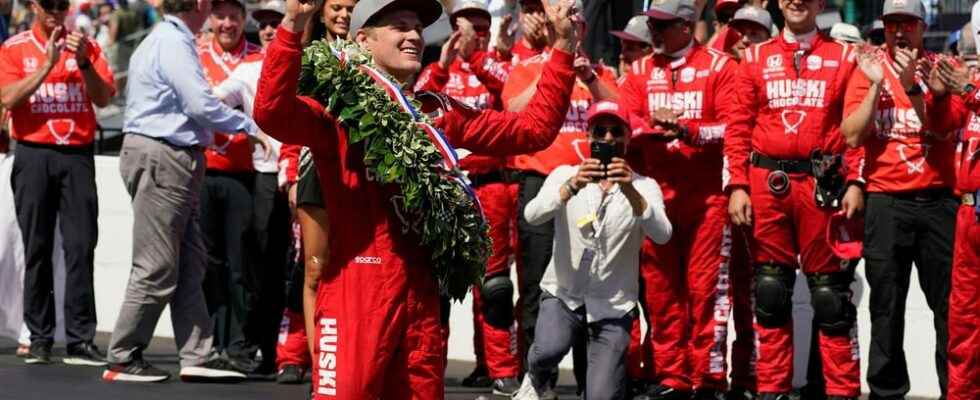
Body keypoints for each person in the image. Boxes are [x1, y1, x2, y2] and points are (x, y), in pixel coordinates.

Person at [252, 0, 580, 397]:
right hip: (358, 287)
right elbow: (271, 113)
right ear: (363, 40)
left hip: (421, 295)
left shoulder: (436, 111)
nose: (413, 36)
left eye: (417, 28)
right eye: (399, 27)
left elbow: (533, 131)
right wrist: (292, 25)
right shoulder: (339, 109)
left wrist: (563, 46)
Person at [102, 0, 264, 383]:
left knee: (191, 263)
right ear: (198, 4)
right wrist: (248, 126)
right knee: (157, 264)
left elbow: (196, 104)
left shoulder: (169, 39)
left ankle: (197, 354)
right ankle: (123, 354)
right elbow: (200, 104)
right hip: (164, 155)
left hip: (171, 156)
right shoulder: (173, 42)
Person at [723, 0, 866, 398]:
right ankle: (772, 391)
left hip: (823, 186)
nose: (797, 1)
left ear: (820, 3)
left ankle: (841, 391)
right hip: (767, 183)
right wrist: (736, 184)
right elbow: (738, 126)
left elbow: (854, 127)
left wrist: (856, 180)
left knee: (831, 297)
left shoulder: (844, 56)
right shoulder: (754, 57)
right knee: (769, 294)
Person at [617, 1, 740, 399]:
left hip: (706, 201)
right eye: (653, 24)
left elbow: (731, 128)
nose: (655, 32)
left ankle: (707, 377)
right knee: (660, 291)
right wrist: (653, 129)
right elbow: (625, 126)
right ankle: (672, 376)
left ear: (688, 26)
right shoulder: (638, 72)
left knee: (706, 292)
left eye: (664, 25)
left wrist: (685, 130)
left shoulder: (721, 67)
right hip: (655, 201)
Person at [840, 2, 961, 399]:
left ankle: (957, 391)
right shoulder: (867, 66)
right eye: (892, 25)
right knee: (886, 307)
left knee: (949, 309)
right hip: (886, 202)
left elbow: (944, 132)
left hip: (938, 200)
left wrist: (916, 87)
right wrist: (876, 86)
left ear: (922, 27)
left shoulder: (941, 66)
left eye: (907, 24)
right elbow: (853, 136)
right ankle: (886, 392)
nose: (899, 32)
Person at [514, 100, 671, 400]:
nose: (608, 139)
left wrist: (629, 191)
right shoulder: (564, 174)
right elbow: (532, 215)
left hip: (612, 305)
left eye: (616, 132)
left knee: (600, 395)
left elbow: (663, 235)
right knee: (548, 349)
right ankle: (536, 377)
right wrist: (571, 187)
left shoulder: (644, 186)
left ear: (628, 137)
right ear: (589, 137)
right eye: (600, 132)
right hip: (564, 293)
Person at [504, 1, 617, 392]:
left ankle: (592, 383)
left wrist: (593, 80)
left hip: (593, 187)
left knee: (594, 287)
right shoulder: (525, 67)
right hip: (541, 184)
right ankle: (538, 380)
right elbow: (512, 112)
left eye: (576, 18)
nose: (571, 23)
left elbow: (627, 115)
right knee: (535, 287)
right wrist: (556, 69)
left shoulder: (599, 72)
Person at [413, 1, 522, 394]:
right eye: (465, 26)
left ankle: (500, 368)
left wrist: (478, 58)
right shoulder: (437, 69)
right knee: (438, 286)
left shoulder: (496, 65)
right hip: (445, 189)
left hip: (491, 187)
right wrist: (443, 66)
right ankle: (428, 371)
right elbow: (415, 106)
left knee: (493, 287)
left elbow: (512, 95)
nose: (472, 33)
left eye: (480, 26)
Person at [0, 0, 115, 366]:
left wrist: (82, 63)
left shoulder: (86, 45)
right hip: (33, 153)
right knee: (37, 248)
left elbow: (104, 97)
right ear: (33, 6)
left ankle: (81, 338)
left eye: (61, 5)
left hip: (76, 155)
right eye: (48, 5)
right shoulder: (15, 47)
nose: (55, 12)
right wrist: (47, 66)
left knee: (81, 246)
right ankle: (40, 336)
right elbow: (6, 98)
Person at [272, 0, 354, 385]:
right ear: (322, 13)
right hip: (315, 172)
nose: (343, 15)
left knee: (358, 270)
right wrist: (290, 173)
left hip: (361, 173)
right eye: (336, 7)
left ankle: (353, 359)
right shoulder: (309, 57)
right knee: (313, 271)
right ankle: (322, 364)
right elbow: (290, 119)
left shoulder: (377, 53)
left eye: (351, 8)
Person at [210, 0, 289, 377]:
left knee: (305, 266)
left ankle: (294, 353)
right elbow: (211, 102)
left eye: (277, 22)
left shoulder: (311, 62)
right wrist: (246, 129)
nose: (270, 30)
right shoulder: (248, 67)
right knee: (263, 267)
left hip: (304, 176)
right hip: (266, 177)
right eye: (265, 24)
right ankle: (266, 348)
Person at [196, 0, 265, 371]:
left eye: (234, 16)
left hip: (245, 174)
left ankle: (239, 346)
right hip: (203, 172)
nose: (227, 23)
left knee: (241, 264)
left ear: (244, 19)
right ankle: (207, 345)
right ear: (210, 18)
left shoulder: (258, 57)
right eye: (220, 16)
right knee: (207, 263)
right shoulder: (194, 54)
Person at [934, 9, 980, 399]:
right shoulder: (972, 81)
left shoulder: (973, 85)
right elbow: (941, 126)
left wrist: (968, 89)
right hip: (967, 212)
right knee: (963, 321)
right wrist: (931, 93)